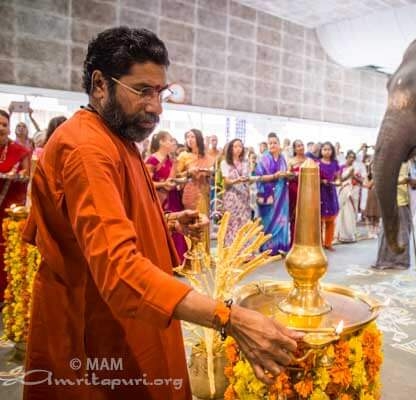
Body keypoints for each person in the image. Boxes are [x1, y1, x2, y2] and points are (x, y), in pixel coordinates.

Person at [22, 27, 301, 399]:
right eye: (142, 91)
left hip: (130, 320)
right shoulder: (86, 148)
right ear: (100, 84)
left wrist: (165, 221)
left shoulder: (114, 136)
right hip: (99, 334)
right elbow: (119, 272)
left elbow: (96, 227)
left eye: (160, 92)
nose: (156, 107)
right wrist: (229, 319)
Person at [0, 109, 31, 298]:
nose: (1, 128)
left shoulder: (20, 152)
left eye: (4, 124)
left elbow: (27, 177)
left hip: (9, 215)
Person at [146, 130, 187, 262]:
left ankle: (178, 260)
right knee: (164, 228)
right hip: (160, 199)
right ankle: (165, 260)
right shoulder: (152, 159)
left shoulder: (172, 160)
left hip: (174, 197)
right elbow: (147, 182)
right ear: (161, 142)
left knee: (177, 226)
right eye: (170, 140)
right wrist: (163, 184)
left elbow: (173, 180)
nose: (172, 143)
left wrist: (182, 179)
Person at [372, 161, 416, 269]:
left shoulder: (410, 164)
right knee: (386, 232)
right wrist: (402, 181)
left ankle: (401, 261)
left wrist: (412, 181)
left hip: (403, 201)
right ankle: (385, 260)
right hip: (390, 201)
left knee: (403, 232)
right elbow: (382, 181)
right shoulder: (389, 161)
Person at [177, 129, 214, 250]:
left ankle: (204, 256)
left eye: (192, 136)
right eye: (187, 137)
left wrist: (209, 173)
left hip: (204, 191)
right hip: (190, 192)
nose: (190, 139)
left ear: (199, 138)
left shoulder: (206, 157)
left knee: (203, 221)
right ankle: (192, 255)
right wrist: (188, 172)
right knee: (192, 222)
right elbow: (176, 176)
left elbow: (213, 174)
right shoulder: (183, 156)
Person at [255, 132, 290, 255]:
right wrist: (274, 176)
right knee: (268, 220)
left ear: (279, 144)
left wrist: (287, 175)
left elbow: (285, 173)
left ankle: (281, 246)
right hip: (268, 194)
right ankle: (268, 247)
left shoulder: (282, 159)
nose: (272, 145)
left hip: (282, 194)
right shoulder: (264, 159)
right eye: (270, 143)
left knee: (282, 220)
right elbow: (258, 177)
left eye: (275, 143)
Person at [221, 138, 252, 246]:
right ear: (230, 148)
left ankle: (244, 250)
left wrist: (248, 180)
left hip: (244, 196)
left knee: (244, 222)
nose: (238, 149)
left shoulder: (245, 162)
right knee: (232, 222)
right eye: (235, 146)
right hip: (232, 196)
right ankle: (231, 249)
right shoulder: (225, 163)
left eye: (240, 146)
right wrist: (237, 180)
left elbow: (249, 178)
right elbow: (226, 181)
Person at [318, 142, 340, 251]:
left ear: (332, 151)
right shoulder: (317, 163)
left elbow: (338, 177)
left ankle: (328, 243)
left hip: (331, 191)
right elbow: (313, 177)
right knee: (320, 219)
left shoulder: (335, 163)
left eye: (329, 149)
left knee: (331, 219)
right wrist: (322, 181)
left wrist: (337, 182)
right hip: (320, 192)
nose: (327, 151)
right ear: (321, 151)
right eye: (325, 149)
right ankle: (319, 243)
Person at [336, 151, 361, 243]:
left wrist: (355, 177)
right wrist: (349, 175)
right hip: (342, 189)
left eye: (353, 157)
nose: (352, 159)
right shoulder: (341, 167)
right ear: (346, 157)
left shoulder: (353, 168)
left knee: (349, 212)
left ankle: (349, 235)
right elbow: (340, 179)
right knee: (341, 212)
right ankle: (340, 235)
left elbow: (357, 180)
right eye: (350, 157)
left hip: (350, 191)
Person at [287, 139, 306, 243]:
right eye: (298, 146)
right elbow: (288, 176)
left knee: (305, 215)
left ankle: (305, 240)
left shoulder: (309, 160)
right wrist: (296, 175)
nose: (301, 147)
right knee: (294, 216)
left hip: (307, 190)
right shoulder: (291, 161)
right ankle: (294, 242)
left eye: (302, 145)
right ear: (294, 149)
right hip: (294, 190)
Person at [363, 155, 381, 238]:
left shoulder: (381, 174)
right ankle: (370, 231)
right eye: (372, 165)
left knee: (377, 214)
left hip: (378, 195)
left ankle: (376, 230)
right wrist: (373, 179)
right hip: (370, 195)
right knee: (370, 214)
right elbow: (367, 185)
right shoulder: (368, 175)